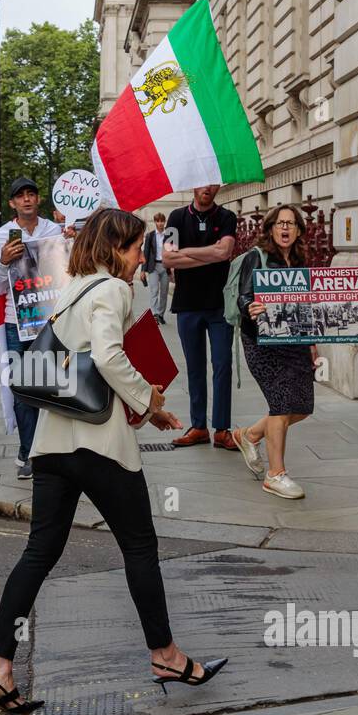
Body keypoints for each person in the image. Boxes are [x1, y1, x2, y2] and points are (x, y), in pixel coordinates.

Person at [0, 208, 227, 715]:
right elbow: (110, 358)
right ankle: (166, 655)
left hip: (53, 447)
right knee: (140, 548)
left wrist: (143, 407)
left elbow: (82, 361)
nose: (142, 257)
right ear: (116, 248)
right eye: (137, 247)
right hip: (100, 447)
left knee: (39, 553)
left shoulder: (70, 289)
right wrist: (149, 402)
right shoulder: (114, 290)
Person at [232, 205, 317, 499]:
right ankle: (275, 474)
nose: (285, 228)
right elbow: (244, 294)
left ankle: (249, 435)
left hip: (294, 342)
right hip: (261, 341)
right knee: (280, 402)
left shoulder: (299, 260)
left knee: (303, 406)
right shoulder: (257, 256)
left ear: (298, 231)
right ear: (270, 228)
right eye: (280, 223)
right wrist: (249, 306)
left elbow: (305, 306)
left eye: (292, 224)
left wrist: (313, 345)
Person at [0, 177, 62, 480]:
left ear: (38, 199)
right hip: (15, 323)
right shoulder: (2, 236)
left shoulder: (52, 231)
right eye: (21, 196)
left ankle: (48, 448)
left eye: (32, 193)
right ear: (12, 203)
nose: (27, 200)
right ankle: (29, 451)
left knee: (47, 387)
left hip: (46, 322)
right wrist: (4, 262)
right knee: (21, 389)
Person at [161, 184, 240, 451]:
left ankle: (221, 428)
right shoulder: (175, 218)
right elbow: (168, 260)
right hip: (187, 305)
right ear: (194, 185)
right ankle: (198, 427)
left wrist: (186, 253)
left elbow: (225, 252)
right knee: (195, 368)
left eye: (213, 183)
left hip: (220, 305)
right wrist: (210, 254)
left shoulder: (227, 217)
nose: (208, 188)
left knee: (222, 365)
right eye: (203, 182)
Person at [139, 212, 170, 324]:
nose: (160, 223)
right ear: (155, 222)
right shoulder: (150, 235)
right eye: (158, 221)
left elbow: (174, 251)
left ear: (164, 222)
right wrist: (143, 270)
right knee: (154, 291)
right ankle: (155, 314)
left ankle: (161, 314)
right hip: (153, 267)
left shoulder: (169, 235)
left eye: (162, 221)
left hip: (166, 266)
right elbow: (146, 253)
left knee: (164, 292)